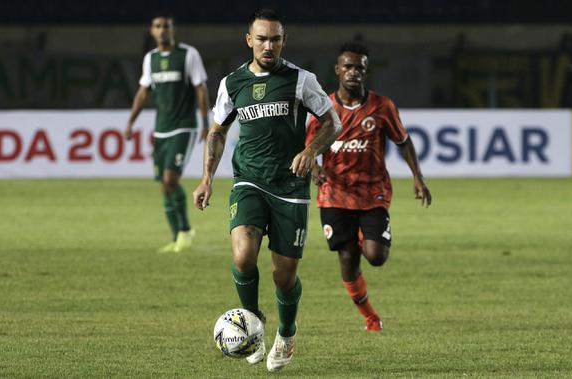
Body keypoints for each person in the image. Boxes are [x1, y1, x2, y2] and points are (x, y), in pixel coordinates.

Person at [193, 9, 341, 372]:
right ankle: (253, 325)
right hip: (249, 181)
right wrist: (207, 178)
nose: (268, 45)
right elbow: (217, 133)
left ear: (283, 40)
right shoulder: (232, 83)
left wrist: (310, 151)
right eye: (261, 39)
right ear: (249, 40)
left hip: (290, 188)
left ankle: (287, 335)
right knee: (243, 256)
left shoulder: (300, 80)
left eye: (275, 39)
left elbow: (332, 123)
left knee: (283, 275)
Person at [306, 42, 431, 331]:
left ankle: (364, 235)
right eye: (347, 67)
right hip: (335, 194)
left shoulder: (381, 106)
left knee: (376, 256)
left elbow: (404, 141)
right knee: (348, 259)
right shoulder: (323, 109)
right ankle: (371, 317)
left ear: (366, 71)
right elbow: (308, 147)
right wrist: (314, 168)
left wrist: (418, 177)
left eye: (359, 67)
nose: (353, 72)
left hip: (372, 193)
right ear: (337, 70)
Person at [125, 14, 210, 253]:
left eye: (166, 26)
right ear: (152, 31)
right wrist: (131, 121)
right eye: (158, 26)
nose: (162, 30)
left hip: (184, 126)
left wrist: (204, 121)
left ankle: (183, 232)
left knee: (170, 180)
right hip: (161, 128)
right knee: (164, 185)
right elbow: (143, 92)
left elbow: (200, 88)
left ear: (173, 30)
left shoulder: (188, 55)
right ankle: (178, 236)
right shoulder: (150, 59)